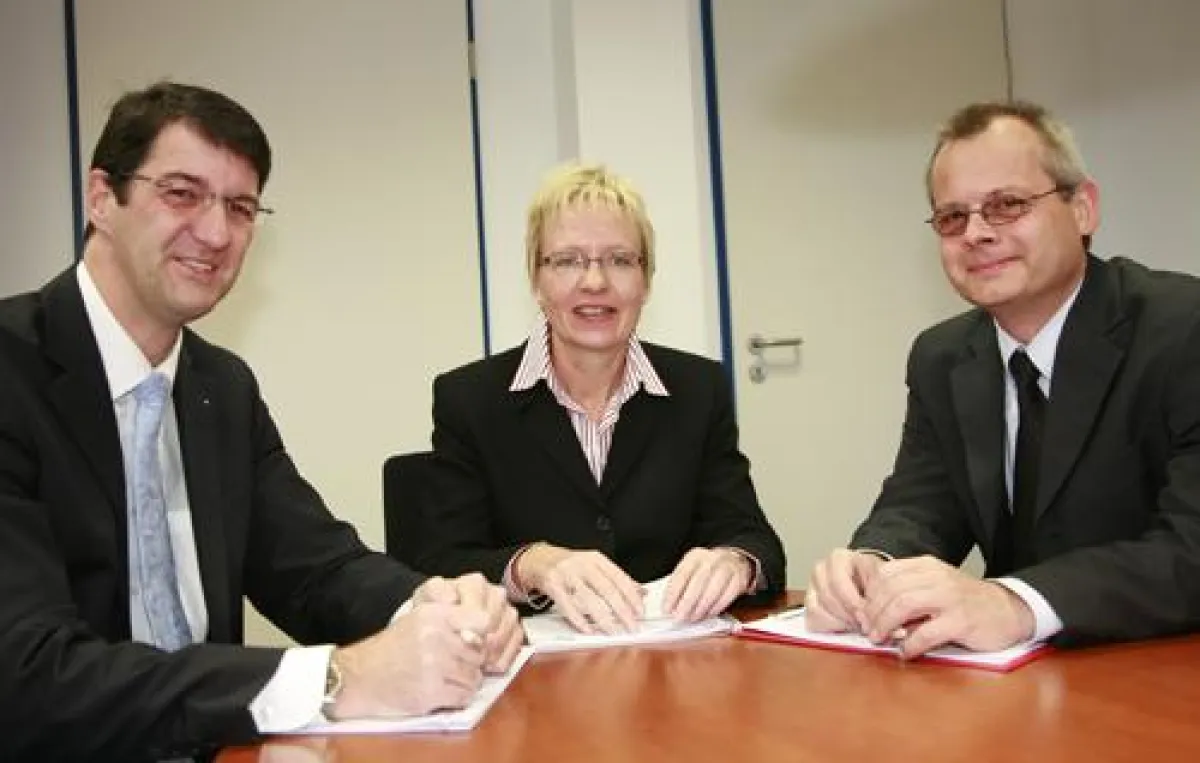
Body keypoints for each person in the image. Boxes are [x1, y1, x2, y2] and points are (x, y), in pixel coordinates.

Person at [0, 81, 522, 761]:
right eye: (182, 193)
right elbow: (31, 674)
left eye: (240, 207)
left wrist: (434, 606)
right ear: (102, 197)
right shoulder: (11, 373)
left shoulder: (221, 387)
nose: (217, 234)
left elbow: (314, 569)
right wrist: (337, 678)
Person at [805, 100, 1200, 657]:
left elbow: (1190, 548)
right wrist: (875, 563)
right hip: (1015, 675)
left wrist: (1017, 603)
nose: (976, 233)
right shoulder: (942, 356)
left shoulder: (1183, 328)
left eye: (1007, 205)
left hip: (1160, 662)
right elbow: (923, 502)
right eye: (952, 217)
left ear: (1083, 209)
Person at [415, 162, 786, 634]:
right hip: (532, 661)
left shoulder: (698, 388)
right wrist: (532, 564)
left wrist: (736, 562)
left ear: (646, 280)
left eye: (620, 260)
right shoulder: (470, 400)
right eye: (568, 261)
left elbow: (755, 539)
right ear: (536, 281)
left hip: (670, 656)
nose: (595, 282)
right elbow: (441, 562)